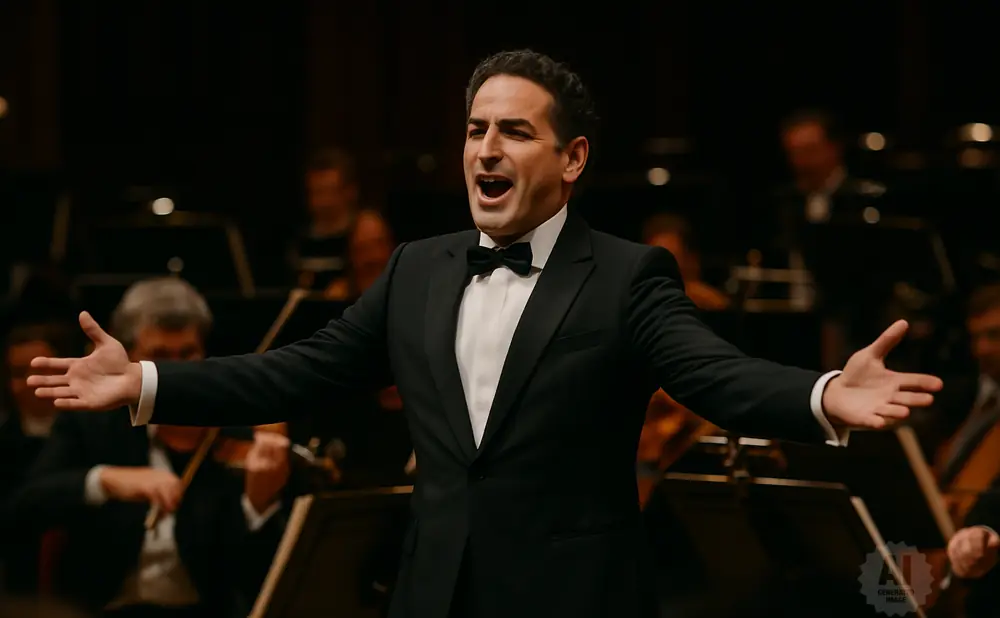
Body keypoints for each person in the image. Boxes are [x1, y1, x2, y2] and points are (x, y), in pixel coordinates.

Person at [29, 50, 943, 618]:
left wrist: (823, 393)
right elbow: (294, 374)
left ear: (572, 158)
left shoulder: (628, 275)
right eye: (474, 130)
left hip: (573, 599)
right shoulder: (418, 267)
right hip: (432, 592)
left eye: (513, 131)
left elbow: (714, 374)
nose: (485, 149)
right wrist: (147, 381)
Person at [11, 277, 291, 618]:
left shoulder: (233, 430)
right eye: (159, 356)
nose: (176, 372)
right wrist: (106, 480)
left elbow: (247, 578)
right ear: (128, 356)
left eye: (188, 354)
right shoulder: (94, 423)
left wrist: (257, 505)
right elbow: (24, 506)